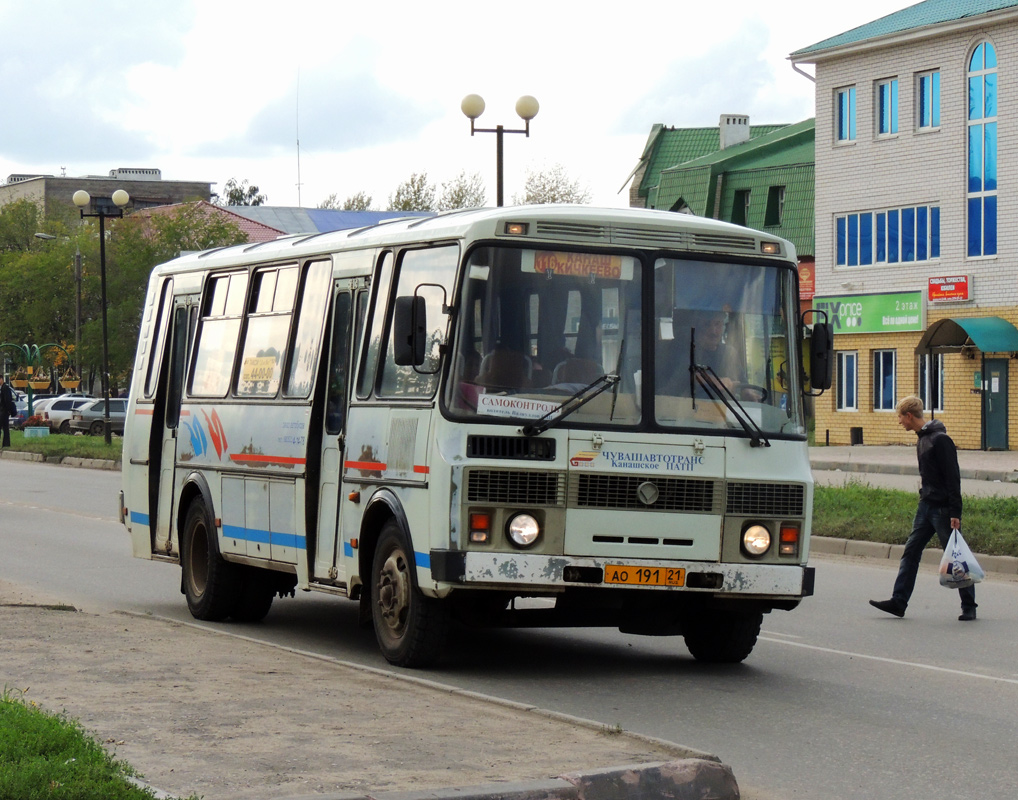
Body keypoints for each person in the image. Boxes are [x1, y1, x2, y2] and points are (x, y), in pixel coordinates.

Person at [869, 395, 976, 621]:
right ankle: (898, 602)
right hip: (925, 507)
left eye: (900, 417)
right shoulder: (923, 438)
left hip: (942, 510)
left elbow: (953, 478)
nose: (899, 422)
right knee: (911, 552)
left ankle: (969, 606)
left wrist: (955, 512)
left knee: (956, 556)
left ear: (909, 415)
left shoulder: (940, 440)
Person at [0, 374, 15, 448]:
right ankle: (6, 444)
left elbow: (7, 400)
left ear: (1, 379)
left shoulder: (5, 388)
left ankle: (6, 443)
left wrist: (8, 410)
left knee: (4, 428)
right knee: (5, 428)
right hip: (4, 411)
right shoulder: (3, 388)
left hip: (4, 411)